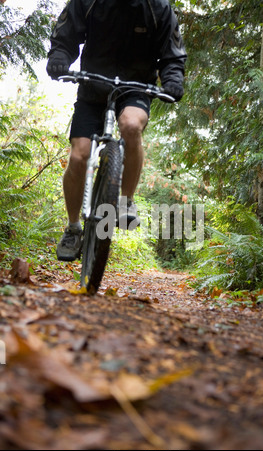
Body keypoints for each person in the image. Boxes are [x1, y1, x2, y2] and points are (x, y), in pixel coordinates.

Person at [46, 0, 187, 261]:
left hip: (136, 87)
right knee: (79, 156)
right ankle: (74, 227)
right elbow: (66, 34)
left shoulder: (158, 8)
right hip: (92, 86)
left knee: (131, 126)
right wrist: (59, 57)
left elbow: (173, 54)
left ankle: (126, 202)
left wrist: (173, 79)